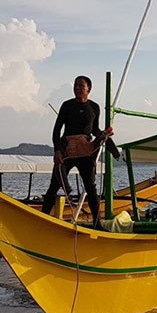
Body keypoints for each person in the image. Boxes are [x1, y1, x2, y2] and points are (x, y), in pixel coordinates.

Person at [41, 75, 107, 227]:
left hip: (85, 152)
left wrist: (103, 135)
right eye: (75, 86)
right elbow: (56, 131)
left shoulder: (95, 107)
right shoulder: (67, 105)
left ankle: (98, 224)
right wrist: (57, 151)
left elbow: (95, 129)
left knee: (91, 187)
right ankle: (42, 219)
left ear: (88, 89)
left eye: (81, 86)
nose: (77, 88)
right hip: (67, 150)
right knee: (54, 185)